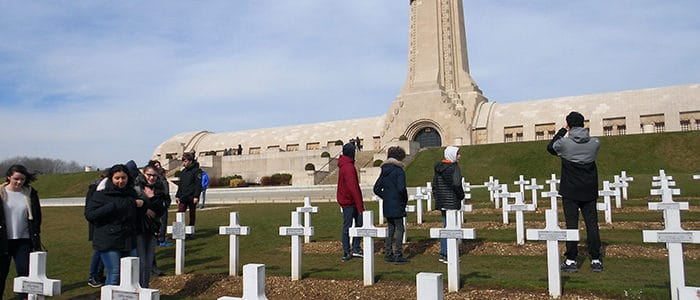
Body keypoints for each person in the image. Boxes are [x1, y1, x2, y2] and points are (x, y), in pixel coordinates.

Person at [547, 111, 603, 273]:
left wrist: (563, 131)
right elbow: (589, 143)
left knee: (572, 224)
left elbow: (551, 147)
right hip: (589, 190)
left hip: (570, 190)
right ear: (583, 124)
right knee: (592, 224)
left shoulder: (564, 144)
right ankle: (596, 259)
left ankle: (571, 260)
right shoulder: (594, 143)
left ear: (569, 124)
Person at [84, 164, 142, 285]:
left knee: (131, 273)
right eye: (117, 178)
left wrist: (143, 204)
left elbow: (136, 213)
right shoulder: (101, 194)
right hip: (109, 239)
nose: (121, 181)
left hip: (128, 239)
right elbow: (90, 215)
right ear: (111, 178)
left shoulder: (131, 193)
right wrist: (114, 206)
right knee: (114, 273)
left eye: (123, 178)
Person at [0, 165, 43, 299]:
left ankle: (23, 297)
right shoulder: (1, 193)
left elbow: (36, 215)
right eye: (16, 179)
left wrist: (35, 232)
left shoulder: (29, 193)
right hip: (3, 240)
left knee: (24, 271)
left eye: (22, 179)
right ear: (9, 177)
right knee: (1, 274)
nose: (19, 182)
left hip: (23, 240)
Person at [133, 164, 167, 287]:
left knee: (148, 262)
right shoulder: (136, 188)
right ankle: (138, 287)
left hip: (152, 227)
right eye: (149, 175)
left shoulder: (159, 188)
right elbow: (131, 206)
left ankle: (145, 287)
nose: (151, 178)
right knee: (141, 261)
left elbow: (163, 207)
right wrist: (145, 209)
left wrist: (153, 198)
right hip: (139, 227)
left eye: (154, 175)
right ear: (144, 173)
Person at [373, 146, 408, 264]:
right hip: (397, 203)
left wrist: (386, 197)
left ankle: (388, 254)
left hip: (388, 204)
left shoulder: (384, 171)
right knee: (400, 228)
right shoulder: (399, 171)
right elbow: (401, 188)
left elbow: (377, 188)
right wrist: (402, 199)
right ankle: (398, 254)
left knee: (391, 228)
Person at [432, 146, 465, 264]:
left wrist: (438, 198)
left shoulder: (438, 168)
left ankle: (443, 253)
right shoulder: (454, 168)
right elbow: (456, 184)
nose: (460, 156)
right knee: (451, 228)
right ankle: (449, 254)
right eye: (458, 154)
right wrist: (461, 195)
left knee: (446, 227)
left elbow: (434, 185)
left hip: (442, 202)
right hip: (452, 201)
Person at [337, 143, 364, 261]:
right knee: (350, 226)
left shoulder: (345, 165)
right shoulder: (348, 167)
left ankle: (353, 248)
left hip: (348, 201)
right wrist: (360, 205)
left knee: (356, 224)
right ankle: (349, 250)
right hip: (350, 202)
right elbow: (353, 187)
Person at [86, 172, 107, 288]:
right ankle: (93, 276)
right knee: (99, 252)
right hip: (99, 227)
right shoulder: (96, 190)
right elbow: (90, 211)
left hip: (104, 227)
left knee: (103, 252)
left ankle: (99, 274)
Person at [175, 152, 202, 235]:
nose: (184, 163)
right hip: (183, 196)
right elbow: (181, 185)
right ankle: (179, 231)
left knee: (192, 214)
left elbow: (198, 185)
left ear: (190, 161)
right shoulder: (183, 172)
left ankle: (191, 231)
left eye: (185, 161)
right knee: (180, 213)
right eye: (183, 161)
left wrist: (196, 196)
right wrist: (178, 195)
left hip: (192, 196)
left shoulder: (197, 171)